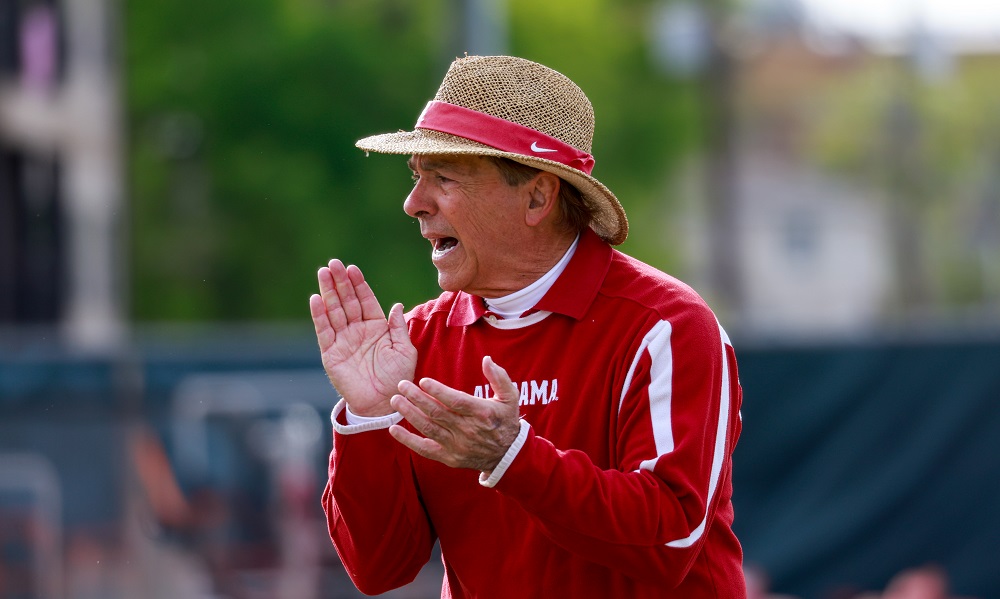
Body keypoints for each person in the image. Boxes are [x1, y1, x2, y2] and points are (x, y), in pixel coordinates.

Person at [309, 55, 745, 598]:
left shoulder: (666, 326)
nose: (413, 204)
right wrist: (369, 418)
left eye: (442, 178)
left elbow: (669, 542)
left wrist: (513, 457)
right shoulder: (419, 340)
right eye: (417, 177)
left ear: (538, 196)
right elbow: (379, 570)